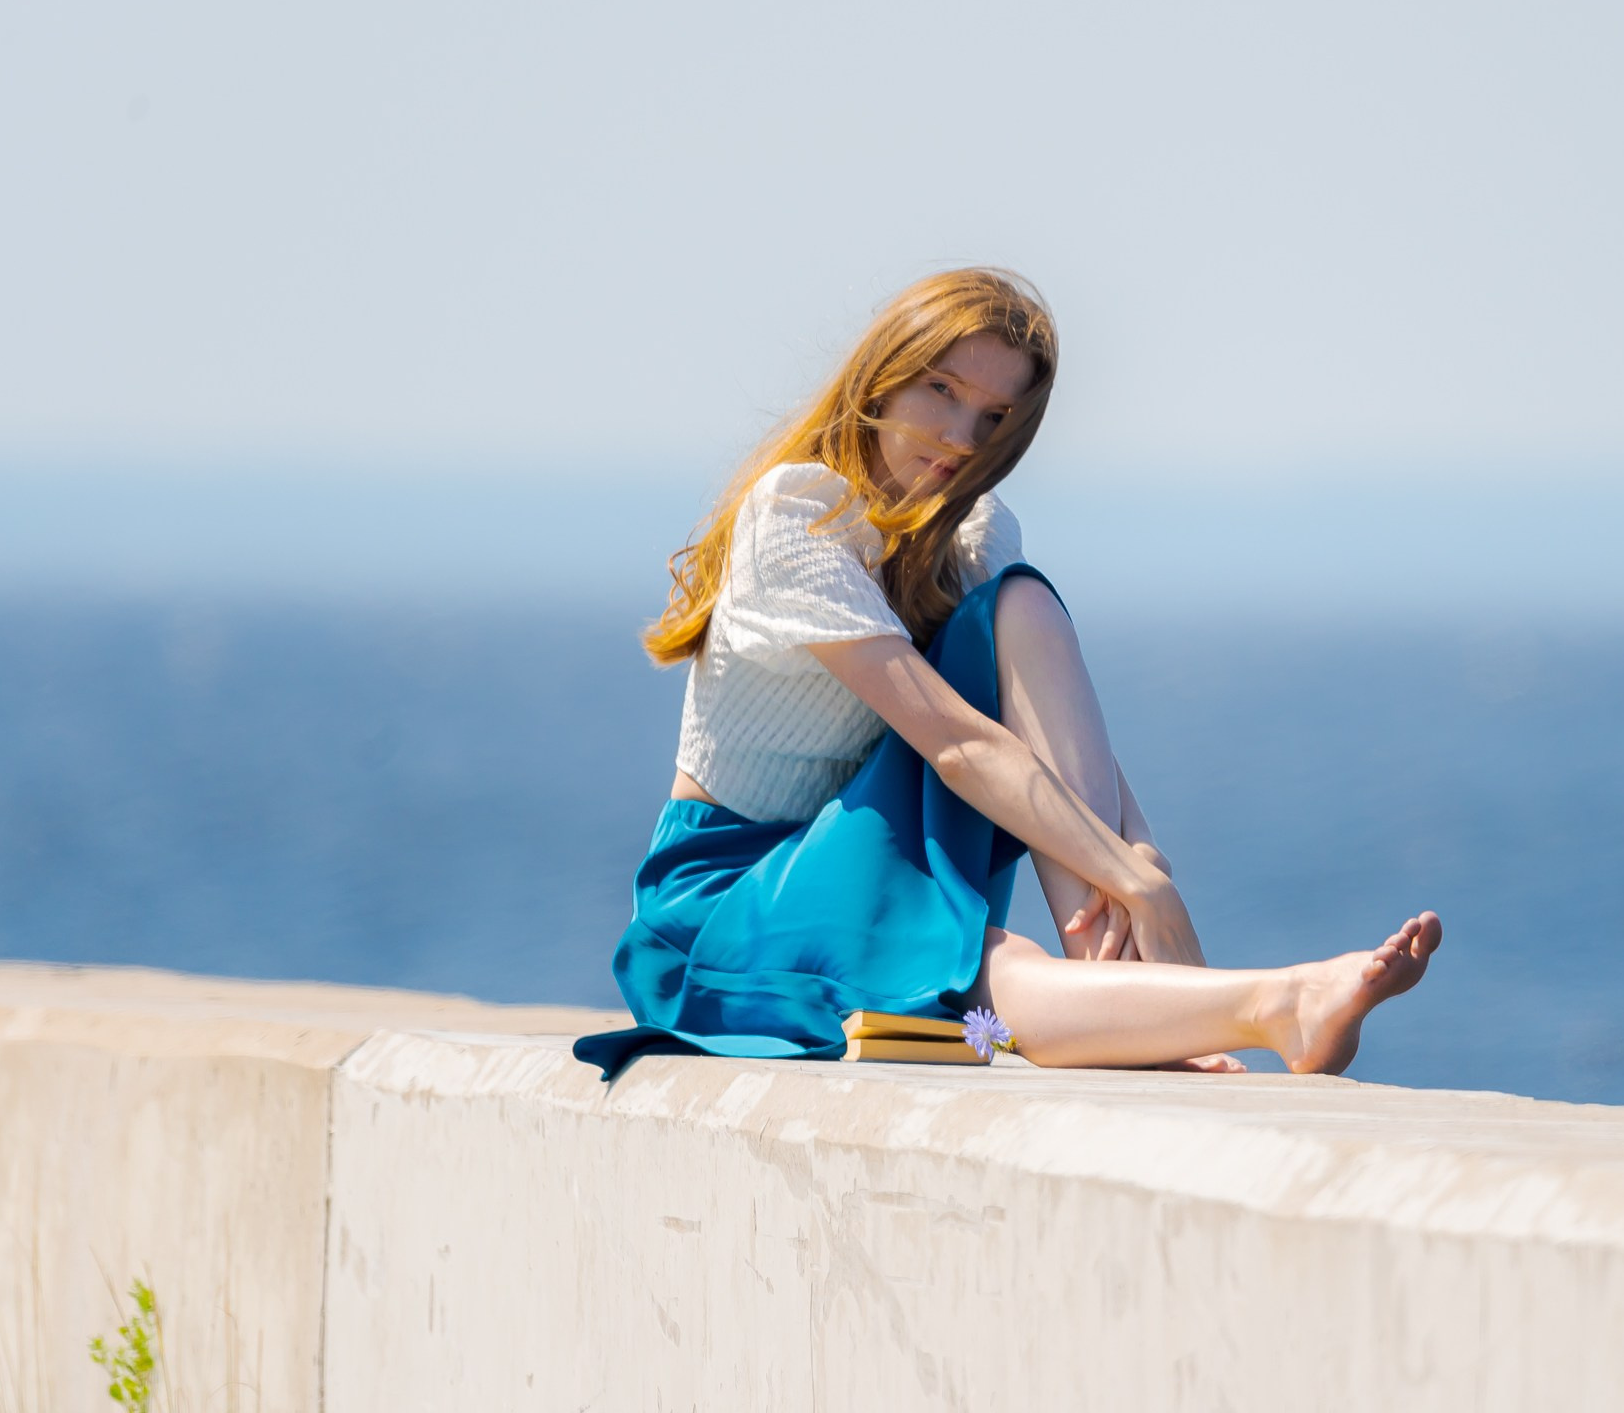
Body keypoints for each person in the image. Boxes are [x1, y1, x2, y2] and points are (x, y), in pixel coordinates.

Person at [571, 268, 1440, 1082]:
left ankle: (1149, 993)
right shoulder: (799, 518)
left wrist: (1136, 851)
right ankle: (1264, 1002)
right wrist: (1136, 884)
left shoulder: (976, 534)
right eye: (941, 393)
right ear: (880, 378)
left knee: (1019, 607)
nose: (959, 438)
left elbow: (1048, 727)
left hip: (853, 848)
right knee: (979, 963)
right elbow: (955, 746)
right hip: (728, 901)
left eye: (992, 418)